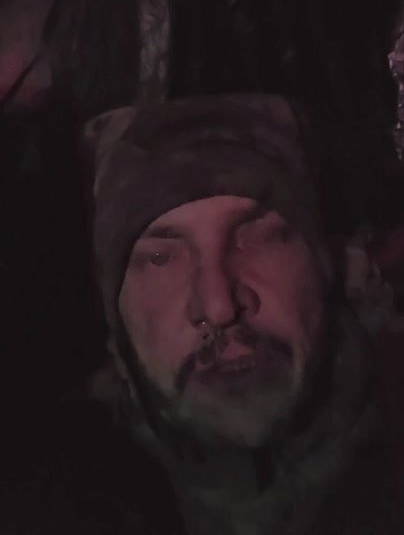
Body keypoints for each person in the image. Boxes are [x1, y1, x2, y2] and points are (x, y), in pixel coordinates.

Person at [3, 94, 402, 534]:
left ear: (323, 264)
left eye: (258, 237)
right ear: (114, 312)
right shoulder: (41, 507)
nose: (219, 305)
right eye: (160, 258)